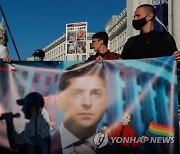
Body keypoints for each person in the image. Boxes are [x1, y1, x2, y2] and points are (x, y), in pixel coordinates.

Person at [51, 62, 109, 154]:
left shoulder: (123, 151)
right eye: (76, 93)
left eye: (95, 93)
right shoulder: (32, 147)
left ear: (106, 102)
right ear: (59, 101)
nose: (87, 102)